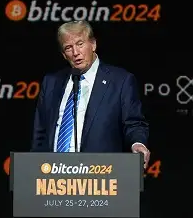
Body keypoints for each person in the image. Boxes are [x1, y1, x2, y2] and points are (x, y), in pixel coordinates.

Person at [30, 20, 150, 168]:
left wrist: (138, 143)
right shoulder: (51, 82)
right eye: (68, 48)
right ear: (63, 54)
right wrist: (35, 166)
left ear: (93, 44)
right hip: (53, 172)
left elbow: (134, 123)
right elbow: (40, 132)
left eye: (80, 44)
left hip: (99, 172)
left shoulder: (120, 81)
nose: (75, 53)